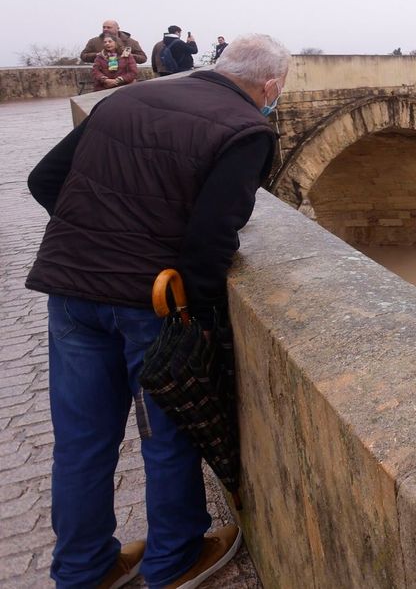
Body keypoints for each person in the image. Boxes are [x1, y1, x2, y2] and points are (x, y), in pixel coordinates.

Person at [25, 34, 290, 589]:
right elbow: (209, 244)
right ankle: (174, 560)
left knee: (81, 441)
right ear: (269, 86)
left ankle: (83, 570)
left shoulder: (123, 100)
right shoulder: (247, 130)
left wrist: (100, 240)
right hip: (148, 303)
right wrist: (205, 330)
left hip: (71, 292)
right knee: (165, 436)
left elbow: (44, 180)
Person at [79, 20, 147, 66]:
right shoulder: (94, 42)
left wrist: (129, 55)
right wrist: (98, 55)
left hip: (126, 77)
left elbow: (143, 58)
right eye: (104, 27)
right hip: (103, 78)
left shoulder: (131, 42)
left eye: (109, 27)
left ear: (117, 28)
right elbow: (83, 56)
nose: (105, 29)